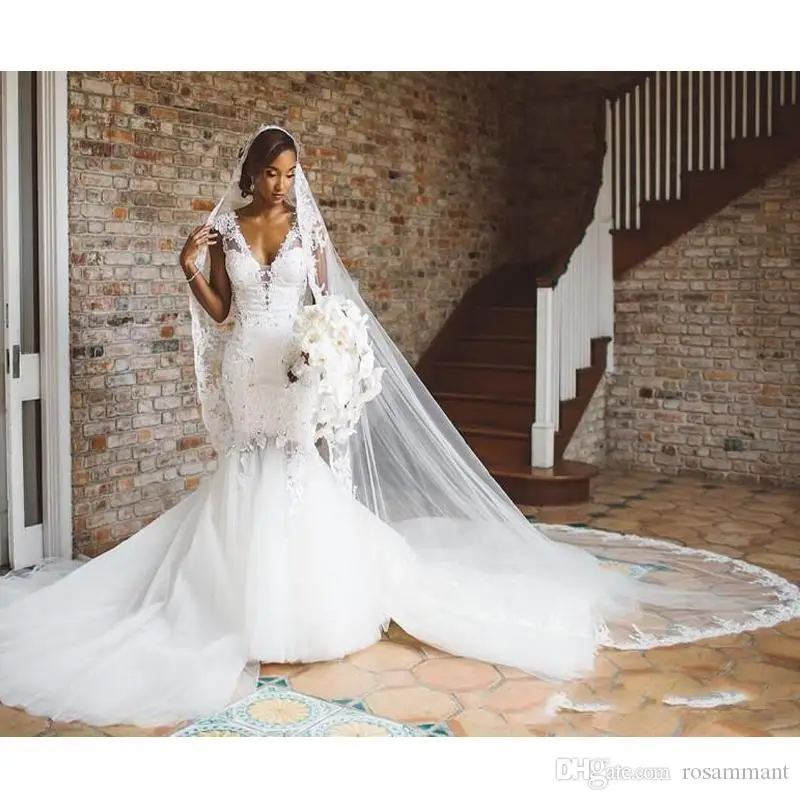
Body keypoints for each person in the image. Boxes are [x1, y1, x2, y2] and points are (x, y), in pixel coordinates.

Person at [1, 125, 798, 728]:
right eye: (272, 174)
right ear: (250, 174)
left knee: (296, 470)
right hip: (246, 364)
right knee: (248, 468)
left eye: (291, 175)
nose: (282, 185)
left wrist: (327, 354)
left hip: (293, 366)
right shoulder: (228, 230)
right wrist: (188, 270)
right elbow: (223, 314)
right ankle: (231, 601)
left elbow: (327, 307)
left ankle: (307, 604)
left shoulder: (307, 230)